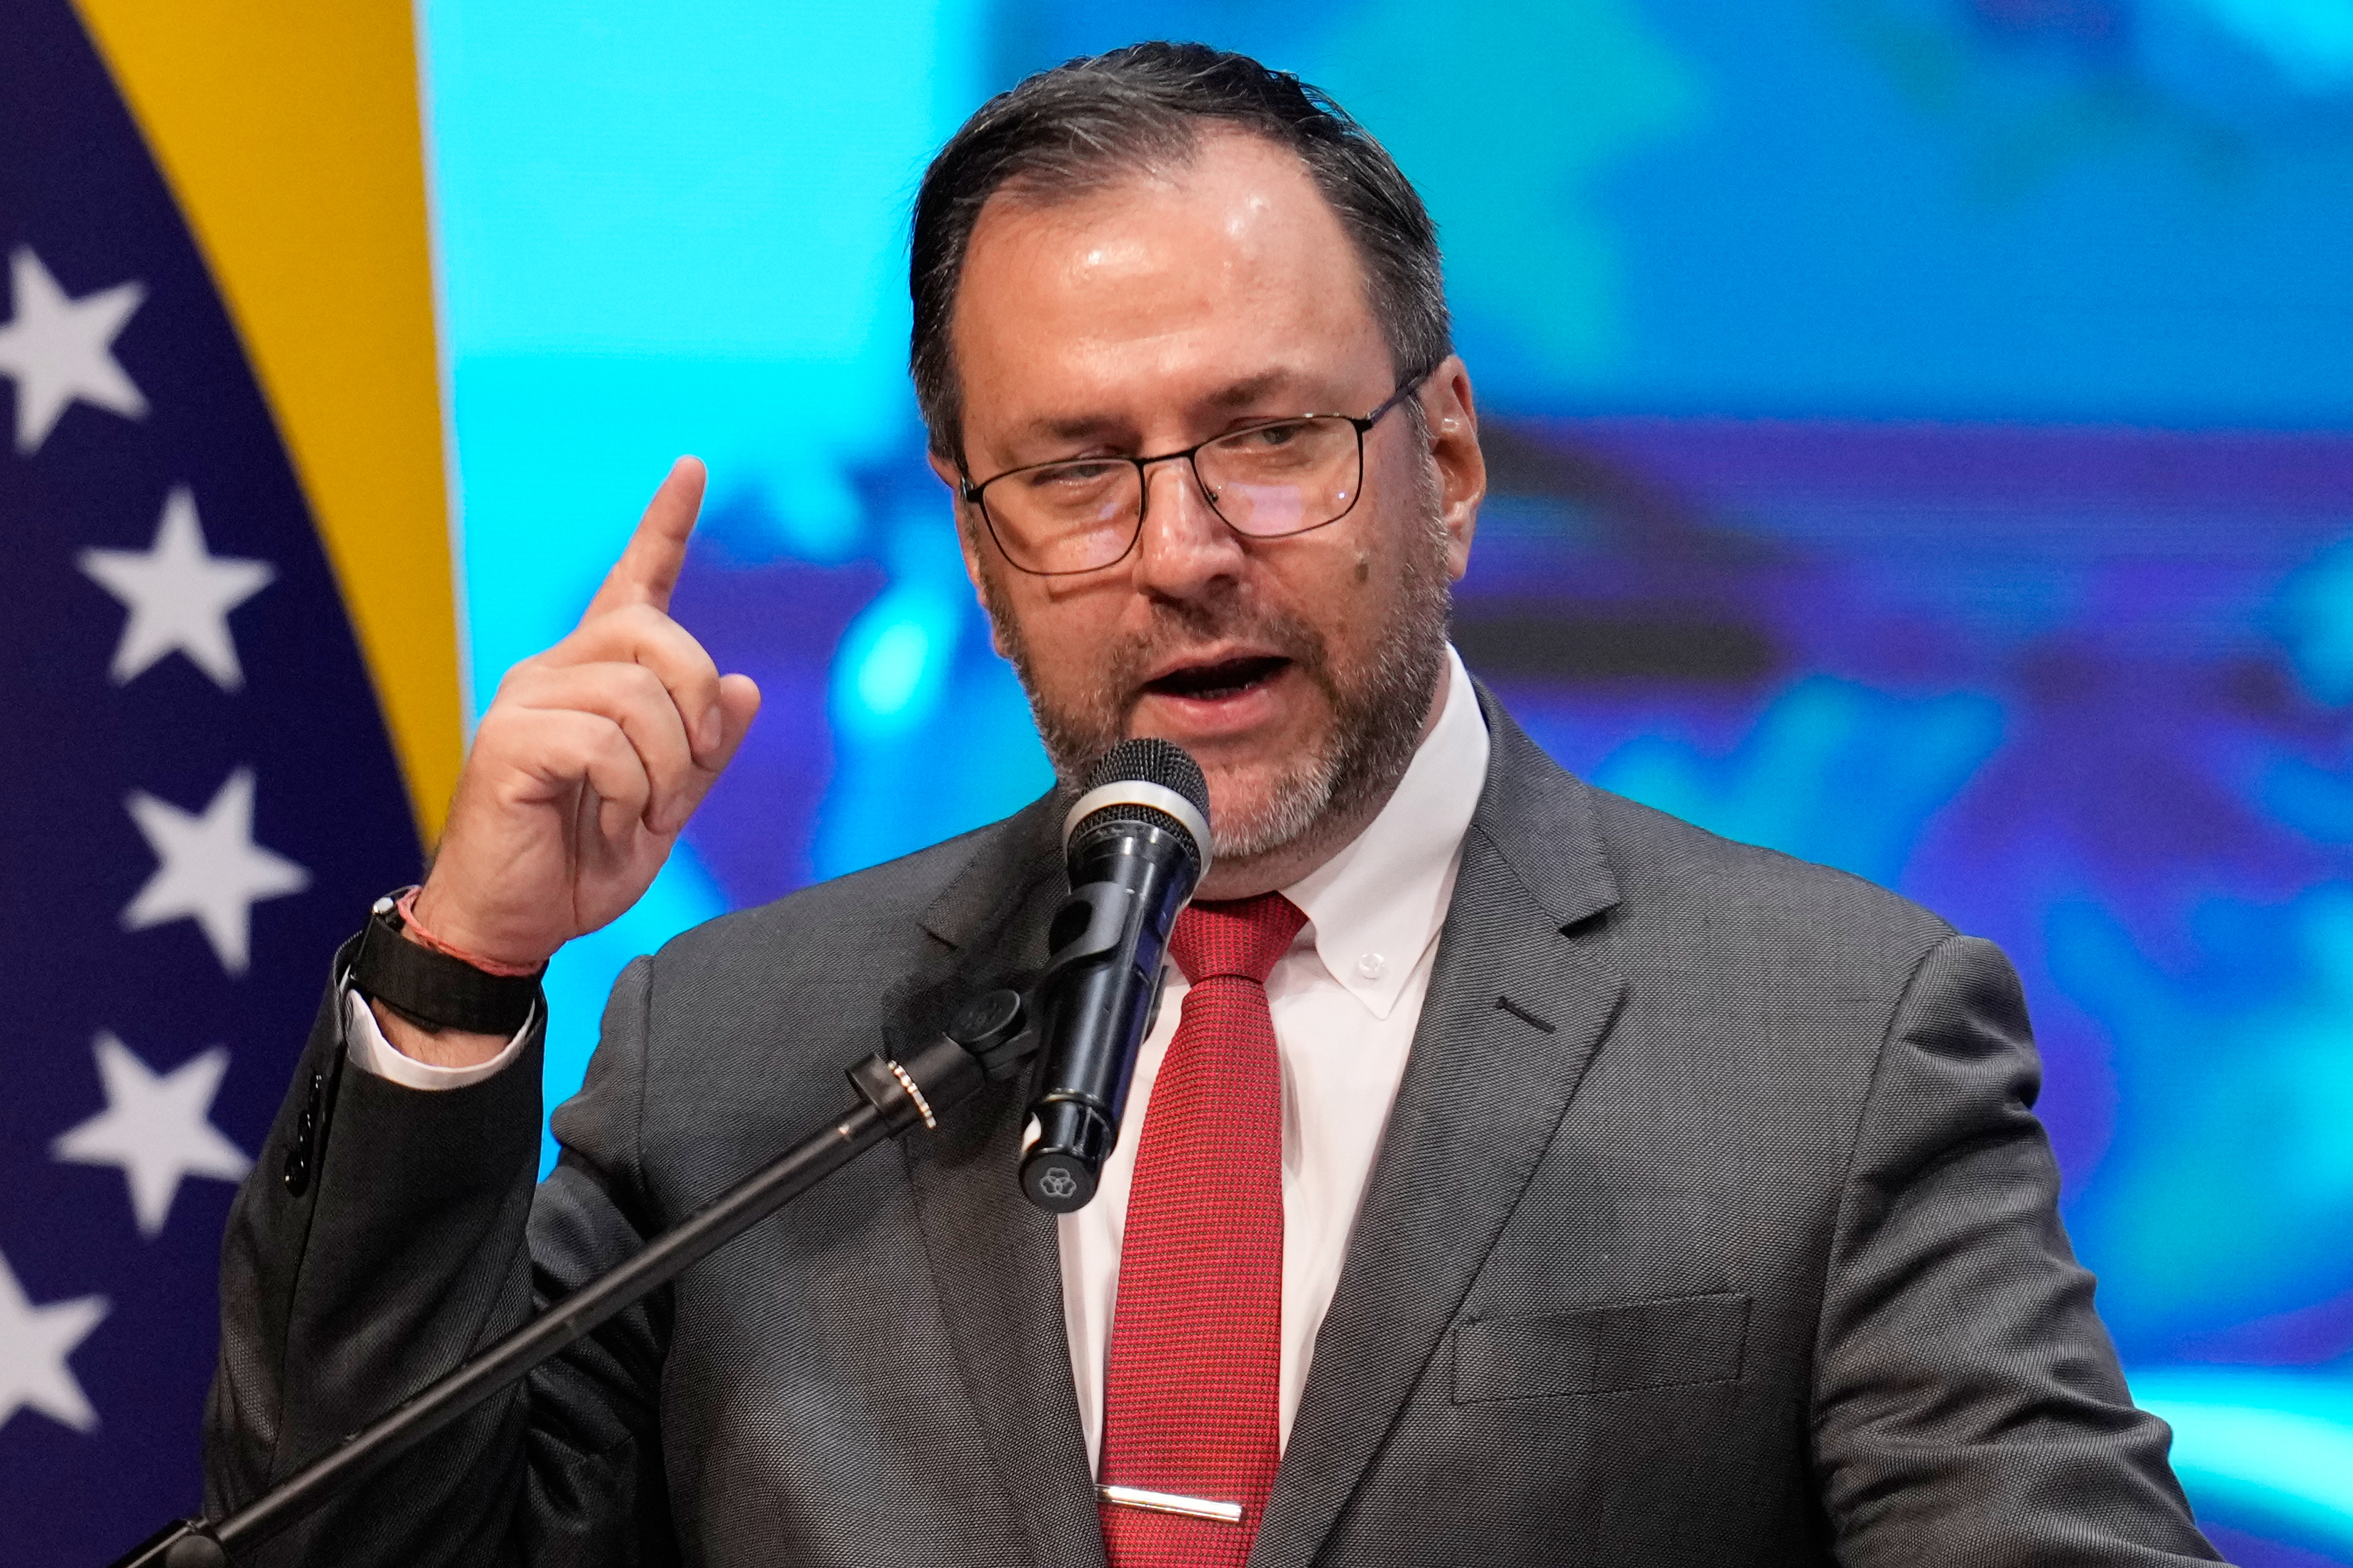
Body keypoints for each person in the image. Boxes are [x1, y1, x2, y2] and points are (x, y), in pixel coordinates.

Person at [205, 41, 2220, 1568]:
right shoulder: (738, 1051)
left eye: (1269, 438)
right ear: (982, 563)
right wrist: (465, 969)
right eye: (1074, 472)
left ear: (1445, 458)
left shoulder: (1837, 1039)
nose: (1182, 550)